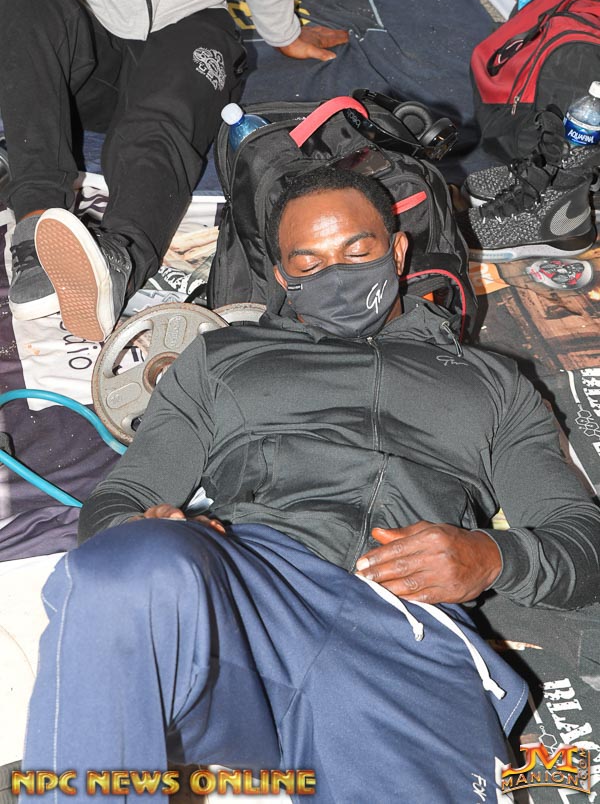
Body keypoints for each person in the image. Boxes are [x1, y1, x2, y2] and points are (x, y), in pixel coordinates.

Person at [22, 167, 600, 802]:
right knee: (123, 567)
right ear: (282, 276)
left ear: (397, 250)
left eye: (357, 250)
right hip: (247, 595)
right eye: (310, 262)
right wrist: (134, 528)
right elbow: (121, 497)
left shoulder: (495, 384)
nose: (337, 273)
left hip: (403, 627)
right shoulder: (220, 359)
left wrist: (491, 556)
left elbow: (582, 542)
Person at [0, 0, 348, 341]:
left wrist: (282, 30)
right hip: (89, 43)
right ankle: (34, 233)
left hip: (190, 23)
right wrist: (14, 45)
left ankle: (116, 262)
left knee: (158, 119)